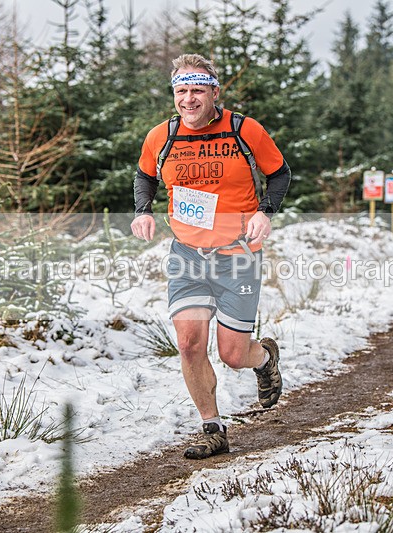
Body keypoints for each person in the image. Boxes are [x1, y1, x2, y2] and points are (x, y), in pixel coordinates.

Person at [131, 54, 291, 459]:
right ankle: (212, 427)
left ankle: (264, 358)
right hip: (187, 254)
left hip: (237, 254)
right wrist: (143, 211)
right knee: (188, 344)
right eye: (181, 91)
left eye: (197, 90)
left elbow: (280, 173)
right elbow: (145, 176)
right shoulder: (160, 137)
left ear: (214, 92)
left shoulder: (244, 130)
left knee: (233, 354)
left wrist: (265, 214)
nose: (189, 99)